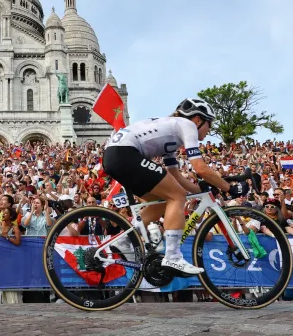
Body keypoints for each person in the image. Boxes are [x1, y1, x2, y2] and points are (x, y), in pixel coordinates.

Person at [102, 98, 247, 275]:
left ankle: (123, 240)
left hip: (114, 156)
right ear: (198, 119)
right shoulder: (187, 125)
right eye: (210, 123)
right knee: (176, 196)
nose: (210, 130)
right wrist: (229, 188)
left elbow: (175, 176)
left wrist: (201, 191)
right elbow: (200, 168)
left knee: (164, 200)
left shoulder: (172, 133)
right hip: (125, 153)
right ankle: (173, 257)